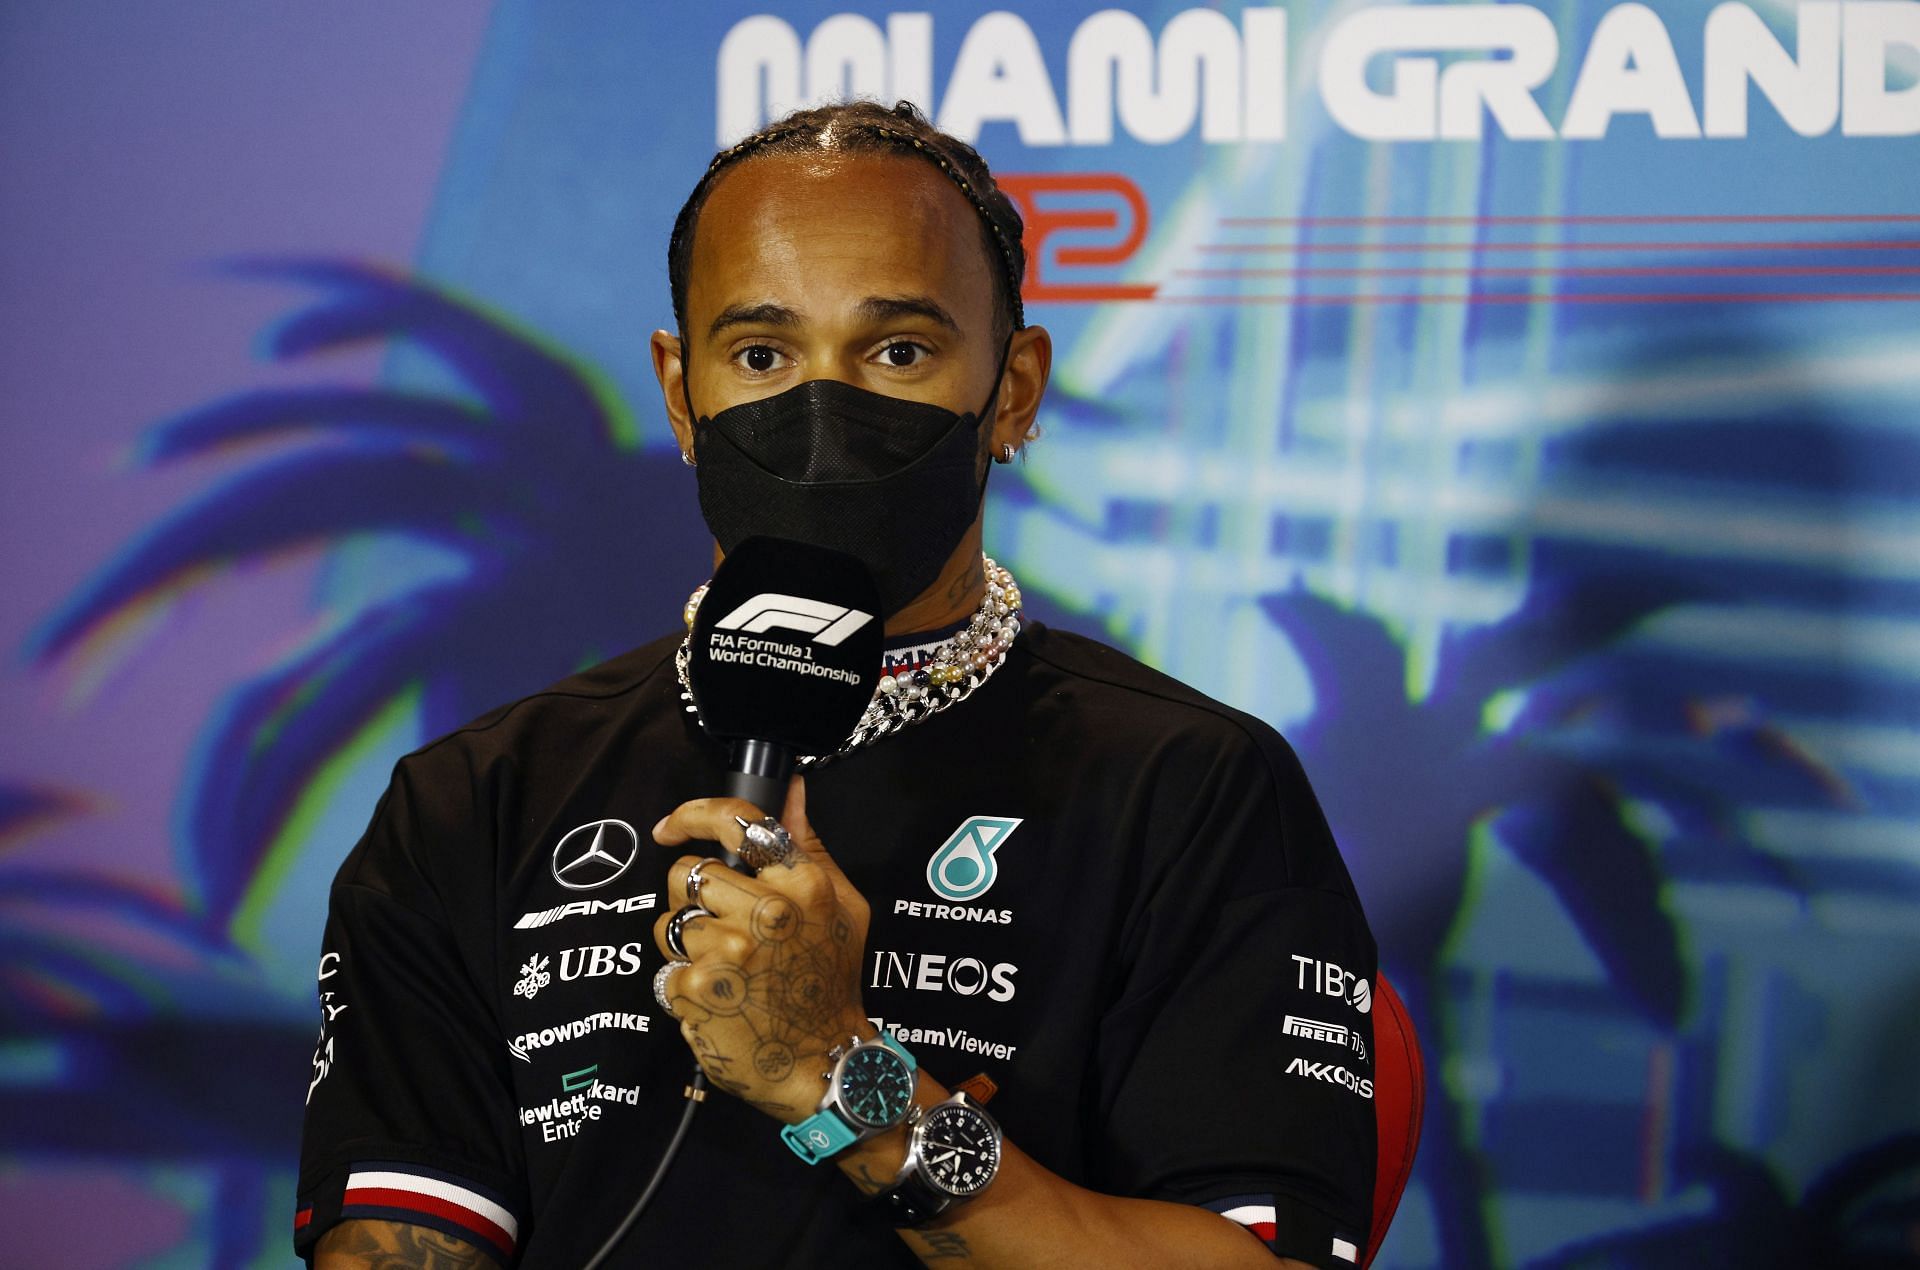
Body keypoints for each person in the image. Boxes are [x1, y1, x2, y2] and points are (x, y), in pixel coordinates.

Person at [297, 100, 1379, 1269]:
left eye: (899, 351)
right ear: (680, 391)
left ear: (1012, 389)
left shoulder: (1193, 787)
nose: (823, 411)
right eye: (762, 355)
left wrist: (838, 1073)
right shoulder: (475, 800)